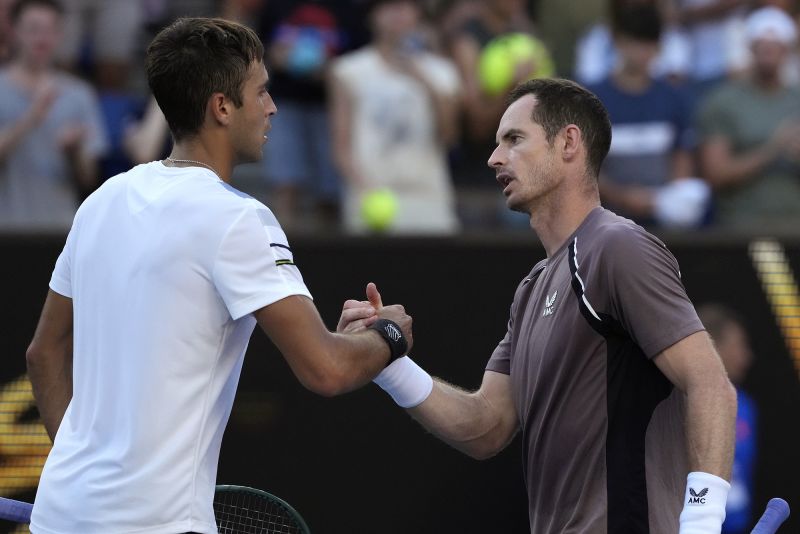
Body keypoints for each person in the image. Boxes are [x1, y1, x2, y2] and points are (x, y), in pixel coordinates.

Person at [26, 17, 413, 534]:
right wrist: (389, 336)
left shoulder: (101, 200)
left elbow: (43, 352)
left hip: (61, 514)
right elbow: (326, 368)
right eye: (261, 92)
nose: (272, 106)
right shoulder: (238, 219)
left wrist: (78, 467)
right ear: (222, 107)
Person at [346, 78, 737, 533]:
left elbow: (710, 383)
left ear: (568, 142)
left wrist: (703, 521)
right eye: (496, 144)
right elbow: (486, 425)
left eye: (513, 139)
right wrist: (387, 361)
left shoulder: (616, 246)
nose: (494, 158)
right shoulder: (531, 289)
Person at [329, 0, 461, 234]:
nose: (397, 13)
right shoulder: (348, 70)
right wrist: (366, 190)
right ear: (372, 16)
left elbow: (449, 136)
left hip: (428, 202)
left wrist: (424, 81)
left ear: (418, 14)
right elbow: (341, 148)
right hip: (370, 201)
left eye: (405, 6)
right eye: (388, 6)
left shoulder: (443, 72)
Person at [586, 1, 707, 228]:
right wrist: (622, 196)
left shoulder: (674, 98)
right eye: (634, 43)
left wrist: (665, 200)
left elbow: (682, 156)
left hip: (661, 217)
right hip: (606, 217)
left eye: (647, 45)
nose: (640, 53)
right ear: (618, 42)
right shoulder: (591, 99)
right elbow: (585, 166)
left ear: (658, 48)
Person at [0, 0, 108, 230]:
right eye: (33, 29)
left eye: (50, 30)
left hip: (60, 228)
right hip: (7, 227)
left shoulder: (79, 94)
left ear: (60, 35)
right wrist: (31, 117)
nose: (42, 38)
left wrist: (75, 152)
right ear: (15, 31)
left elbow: (89, 178)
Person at [695, 6, 800, 230]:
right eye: (763, 47)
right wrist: (773, 149)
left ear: (787, 50)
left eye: (775, 47)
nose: (769, 53)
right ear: (750, 49)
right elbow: (715, 174)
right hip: (743, 228)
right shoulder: (724, 102)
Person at [697, 304, 758, 534]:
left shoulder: (747, 406)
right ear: (714, 347)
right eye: (740, 346)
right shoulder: (679, 405)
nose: (747, 356)